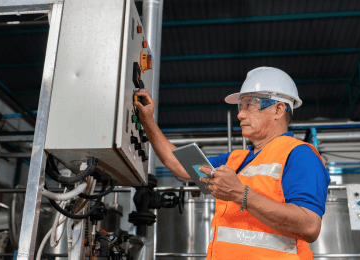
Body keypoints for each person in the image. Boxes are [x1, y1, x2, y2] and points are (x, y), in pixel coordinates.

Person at [134, 67, 330, 260]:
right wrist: (147, 121)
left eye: (250, 105)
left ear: (278, 109)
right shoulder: (236, 159)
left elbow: (309, 226)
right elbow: (178, 164)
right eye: (241, 106)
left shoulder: (300, 155)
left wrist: (240, 194)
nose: (240, 115)